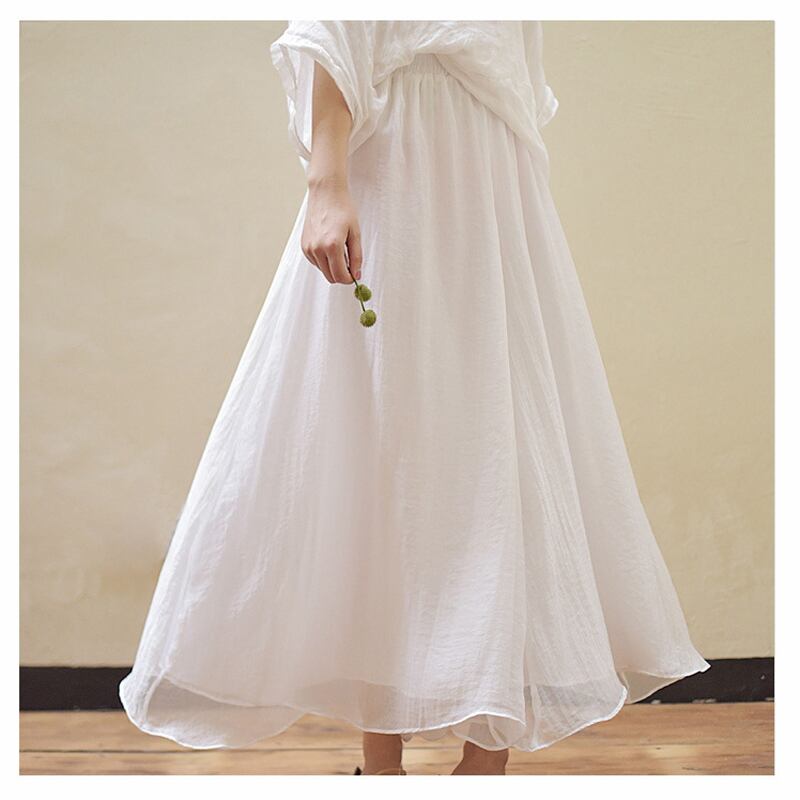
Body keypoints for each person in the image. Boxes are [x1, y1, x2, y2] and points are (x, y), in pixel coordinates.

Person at [119, 21, 710, 776]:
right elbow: (333, 29)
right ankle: (381, 764)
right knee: (379, 440)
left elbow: (517, 72)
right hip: (397, 160)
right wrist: (326, 183)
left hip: (492, 177)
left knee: (500, 444)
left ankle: (484, 765)